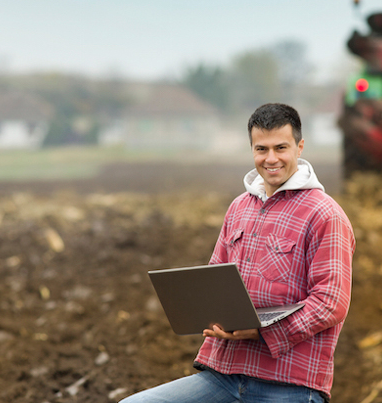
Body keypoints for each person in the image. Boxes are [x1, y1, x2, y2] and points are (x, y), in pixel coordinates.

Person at [121, 103, 355, 403]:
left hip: (288, 384)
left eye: (280, 148)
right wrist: (208, 313)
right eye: (261, 149)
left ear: (300, 147)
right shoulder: (239, 208)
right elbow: (214, 277)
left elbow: (331, 302)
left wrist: (263, 333)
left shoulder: (324, 215)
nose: (271, 159)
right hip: (224, 375)